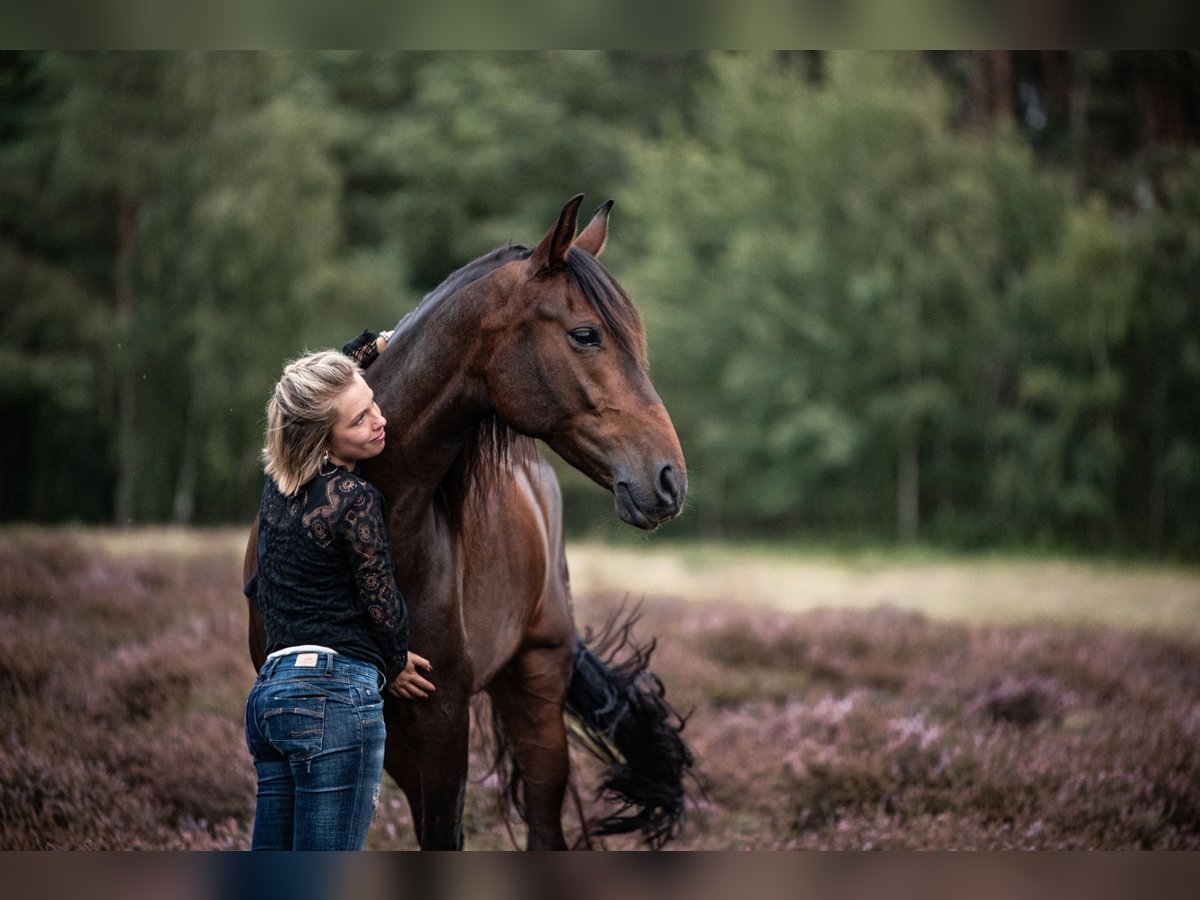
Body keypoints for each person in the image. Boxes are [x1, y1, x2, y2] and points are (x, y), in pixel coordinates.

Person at [244, 330, 432, 851]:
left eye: (372, 404)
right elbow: (383, 603)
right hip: (332, 702)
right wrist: (393, 662)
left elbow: (311, 398)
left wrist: (370, 345)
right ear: (323, 442)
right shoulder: (354, 496)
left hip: (269, 701)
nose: (380, 420)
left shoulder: (277, 489)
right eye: (360, 420)